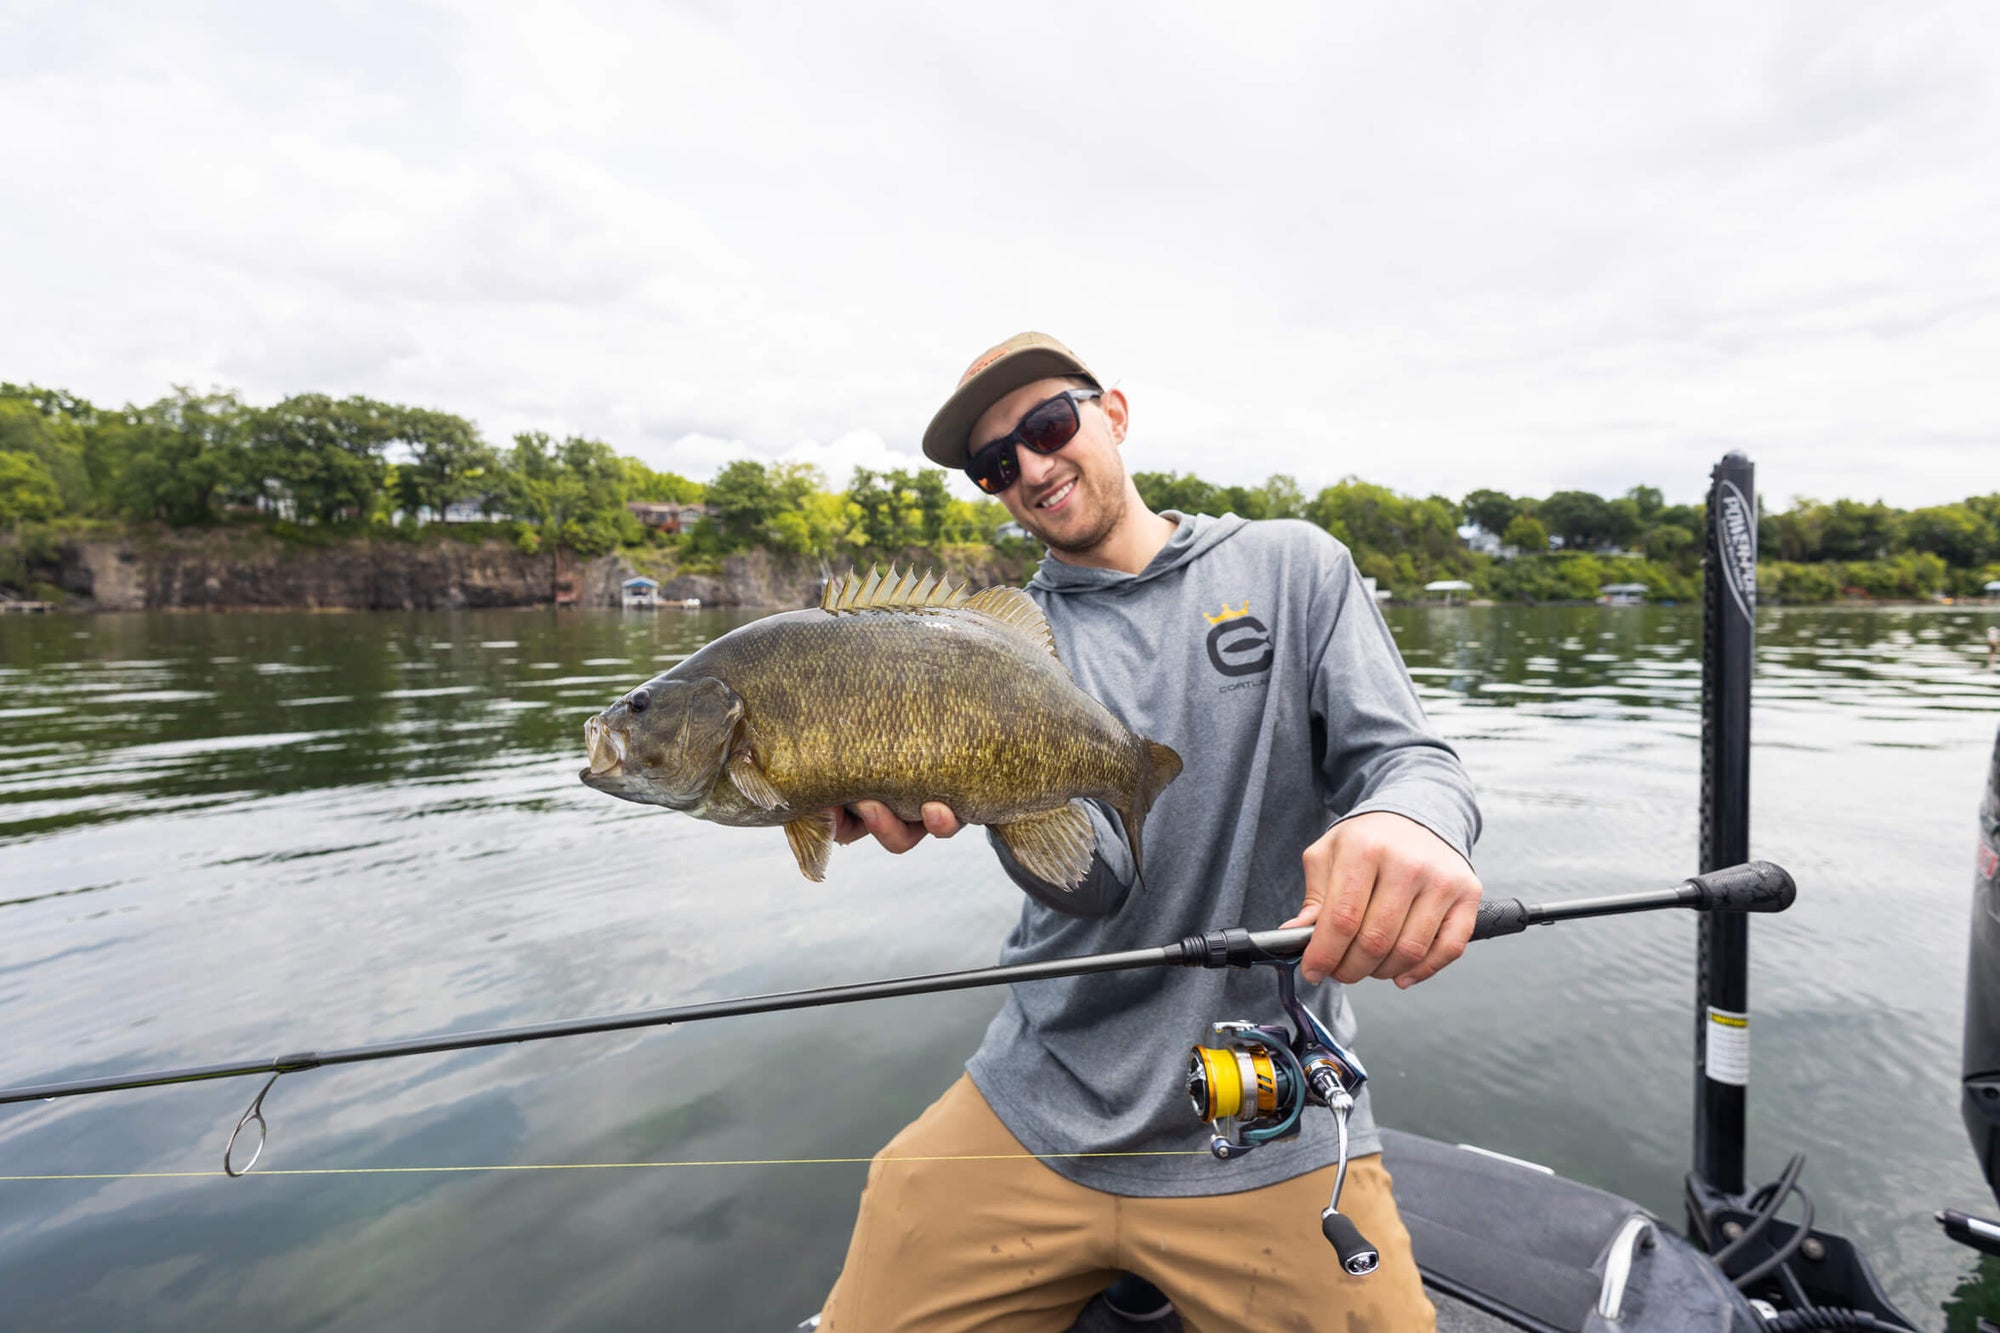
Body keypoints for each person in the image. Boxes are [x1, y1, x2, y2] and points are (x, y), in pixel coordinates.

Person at [818, 332, 1483, 1331]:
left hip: (1266, 1118)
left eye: (1047, 425)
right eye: (995, 463)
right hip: (1034, 1100)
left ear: (1113, 414)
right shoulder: (994, 648)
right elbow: (1083, 882)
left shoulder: (1290, 566)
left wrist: (1408, 825)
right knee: (888, 1223)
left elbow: (1411, 762)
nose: (1031, 467)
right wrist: (869, 789)